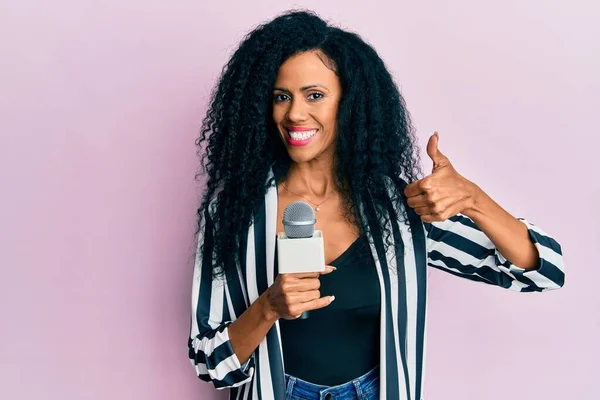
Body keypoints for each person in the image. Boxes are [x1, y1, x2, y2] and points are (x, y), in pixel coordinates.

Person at [187, 9, 565, 400]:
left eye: (314, 95)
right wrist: (267, 307)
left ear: (349, 104)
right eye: (281, 97)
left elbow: (543, 271)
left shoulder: (399, 210)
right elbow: (208, 361)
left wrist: (473, 199)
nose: (295, 113)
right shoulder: (234, 215)